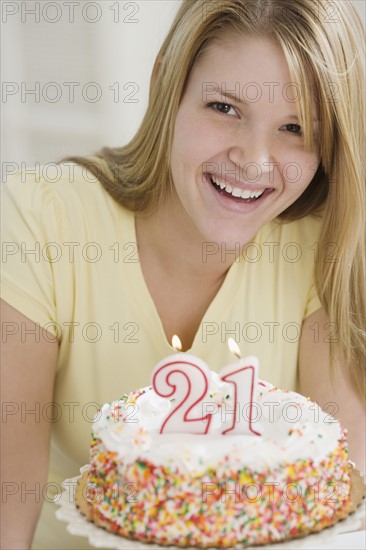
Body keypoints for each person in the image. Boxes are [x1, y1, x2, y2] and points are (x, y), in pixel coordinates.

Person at [1, 0, 365, 548]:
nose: (255, 160)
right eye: (224, 107)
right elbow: (8, 506)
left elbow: (344, 491)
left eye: (296, 127)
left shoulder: (316, 244)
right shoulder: (41, 218)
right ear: (167, 85)